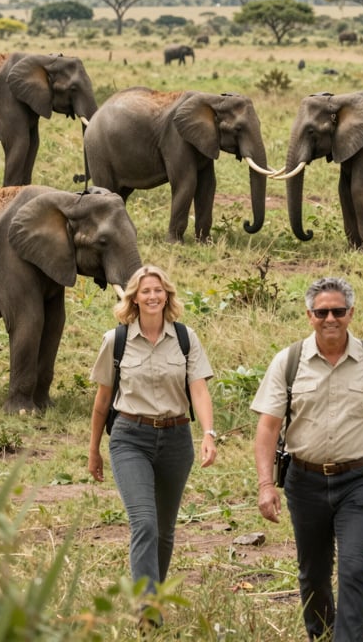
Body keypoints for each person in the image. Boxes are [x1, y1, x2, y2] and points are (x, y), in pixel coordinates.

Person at [252, 277, 363, 642]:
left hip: (360, 480)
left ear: (351, 313)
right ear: (309, 315)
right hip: (304, 481)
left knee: (355, 569)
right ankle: (322, 637)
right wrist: (265, 485)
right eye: (322, 313)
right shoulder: (288, 361)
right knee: (314, 574)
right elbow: (268, 427)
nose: (330, 319)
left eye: (338, 311)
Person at [87, 265, 217, 629]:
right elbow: (102, 400)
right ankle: (147, 612)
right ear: (134, 298)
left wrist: (209, 434)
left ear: (167, 295)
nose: (152, 296)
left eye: (158, 290)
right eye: (145, 291)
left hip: (176, 438)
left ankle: (153, 599)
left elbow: (199, 390)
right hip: (130, 437)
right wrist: (94, 449)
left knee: (163, 530)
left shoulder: (185, 338)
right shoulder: (116, 340)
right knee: (144, 522)